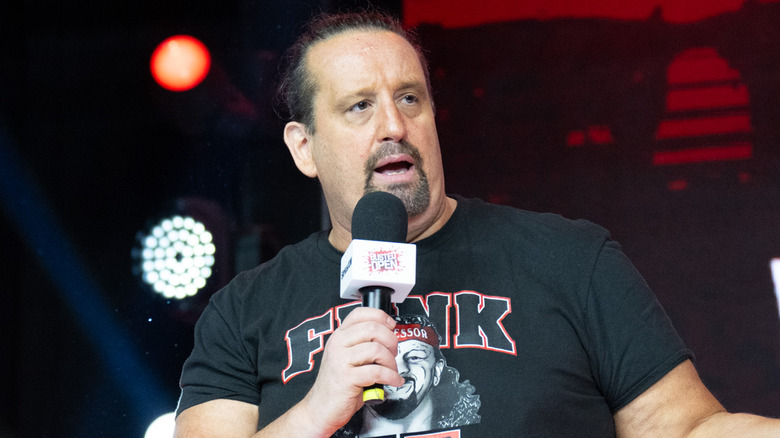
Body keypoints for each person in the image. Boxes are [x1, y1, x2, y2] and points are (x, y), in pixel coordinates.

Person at [174, 10, 780, 437]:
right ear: (303, 147)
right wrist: (313, 415)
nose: (394, 125)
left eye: (410, 98)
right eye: (360, 106)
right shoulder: (244, 312)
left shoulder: (570, 259)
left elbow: (692, 428)